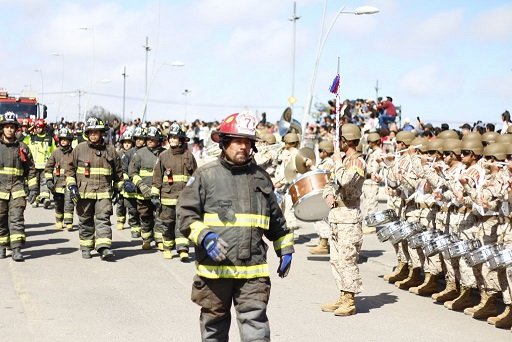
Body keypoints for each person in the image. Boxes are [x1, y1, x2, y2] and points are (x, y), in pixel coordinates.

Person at [177, 112, 294, 341]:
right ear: (224, 142)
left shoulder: (261, 178)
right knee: (214, 327)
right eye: (238, 141)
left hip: (253, 272)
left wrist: (286, 249)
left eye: (248, 142)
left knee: (256, 328)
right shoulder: (205, 176)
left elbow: (276, 220)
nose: (243, 147)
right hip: (214, 271)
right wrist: (205, 236)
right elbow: (185, 214)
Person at [321, 123, 366, 316]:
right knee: (336, 260)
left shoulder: (357, 163)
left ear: (347, 140)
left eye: (341, 139)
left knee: (347, 259)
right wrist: (328, 194)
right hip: (337, 216)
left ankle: (350, 299)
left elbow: (346, 181)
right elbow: (331, 182)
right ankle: (342, 294)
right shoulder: (344, 161)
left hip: (349, 218)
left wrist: (338, 162)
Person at [66, 117, 123, 260]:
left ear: (101, 133)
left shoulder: (110, 150)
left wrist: (118, 188)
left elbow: (119, 172)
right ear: (87, 133)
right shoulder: (79, 149)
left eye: (96, 132)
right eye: (91, 132)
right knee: (85, 220)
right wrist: (72, 186)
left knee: (103, 218)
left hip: (104, 191)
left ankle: (104, 247)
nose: (93, 135)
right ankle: (86, 247)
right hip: (84, 192)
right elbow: (69, 169)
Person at [152, 123, 197, 261]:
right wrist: (155, 193)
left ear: (181, 140)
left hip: (184, 197)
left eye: (175, 138)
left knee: (182, 223)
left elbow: (196, 176)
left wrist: (197, 194)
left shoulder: (189, 156)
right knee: (167, 223)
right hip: (167, 197)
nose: (172, 140)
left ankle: (183, 249)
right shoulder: (163, 156)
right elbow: (157, 176)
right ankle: (167, 247)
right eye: (170, 137)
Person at [0, 112, 38, 261]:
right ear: (2, 128)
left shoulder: (23, 147)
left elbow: (31, 169)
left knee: (16, 219)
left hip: (17, 190)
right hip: (0, 190)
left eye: (12, 127)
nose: (9, 130)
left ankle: (16, 249)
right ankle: (2, 247)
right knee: (1, 220)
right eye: (7, 127)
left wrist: (34, 188)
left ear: (16, 129)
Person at [129, 126, 166, 250]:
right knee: (145, 216)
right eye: (148, 139)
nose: (149, 141)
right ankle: (146, 239)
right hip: (143, 193)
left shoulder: (165, 154)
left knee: (160, 217)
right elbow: (132, 173)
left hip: (160, 193)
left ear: (158, 140)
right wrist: (141, 185)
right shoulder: (139, 154)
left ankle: (159, 240)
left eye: (152, 139)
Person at [44, 127, 75, 231]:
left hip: (69, 183)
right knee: (58, 203)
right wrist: (49, 180)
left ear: (70, 141)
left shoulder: (74, 153)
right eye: (61, 139)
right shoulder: (55, 153)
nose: (63, 141)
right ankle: (59, 220)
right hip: (57, 184)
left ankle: (69, 222)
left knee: (69, 202)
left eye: (65, 139)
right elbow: (48, 167)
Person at [23, 118, 56, 208]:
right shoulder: (30, 138)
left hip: (45, 166)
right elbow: (20, 140)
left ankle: (45, 199)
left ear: (44, 128)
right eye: (36, 127)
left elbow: (55, 151)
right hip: (33, 166)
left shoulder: (50, 139)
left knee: (45, 182)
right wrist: (28, 130)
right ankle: (36, 200)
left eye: (39, 127)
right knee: (35, 183)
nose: (37, 129)